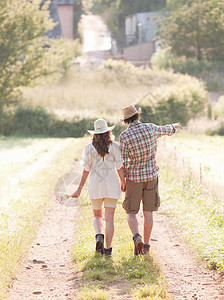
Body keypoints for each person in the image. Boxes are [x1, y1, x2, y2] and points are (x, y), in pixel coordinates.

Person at [119, 104, 182, 255]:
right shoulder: (151, 128)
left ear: (126, 120)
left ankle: (136, 237)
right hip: (151, 176)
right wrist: (174, 126)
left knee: (131, 212)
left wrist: (123, 180)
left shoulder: (124, 136)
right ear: (138, 115)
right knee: (148, 213)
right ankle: (146, 246)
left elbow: (121, 161)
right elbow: (166, 129)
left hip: (134, 178)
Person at [71, 118, 126, 256]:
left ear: (94, 133)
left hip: (95, 184)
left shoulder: (89, 148)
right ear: (108, 132)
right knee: (110, 219)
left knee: (97, 216)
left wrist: (79, 188)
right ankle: (107, 249)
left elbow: (85, 170)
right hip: (112, 185)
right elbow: (119, 168)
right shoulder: (115, 146)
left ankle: (99, 235)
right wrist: (123, 182)